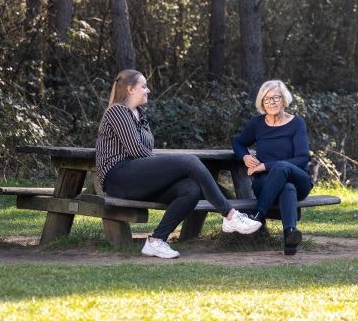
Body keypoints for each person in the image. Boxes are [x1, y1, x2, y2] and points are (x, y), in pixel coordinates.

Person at [95, 69, 262, 259]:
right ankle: (230, 215)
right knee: (189, 162)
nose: (148, 90)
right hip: (119, 179)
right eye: (144, 86)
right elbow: (135, 149)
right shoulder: (117, 111)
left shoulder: (140, 115)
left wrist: (164, 171)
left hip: (139, 178)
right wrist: (167, 169)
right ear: (130, 89)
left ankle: (156, 241)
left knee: (191, 189)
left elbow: (146, 150)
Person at [232, 80, 313, 255]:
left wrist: (265, 166)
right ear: (261, 103)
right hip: (266, 184)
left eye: (276, 98)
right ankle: (290, 236)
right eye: (267, 99)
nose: (272, 102)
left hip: (299, 180)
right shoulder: (257, 124)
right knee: (286, 187)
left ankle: (257, 216)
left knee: (282, 168)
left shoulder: (297, 123)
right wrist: (245, 156)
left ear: (284, 99)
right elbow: (238, 142)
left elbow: (303, 158)